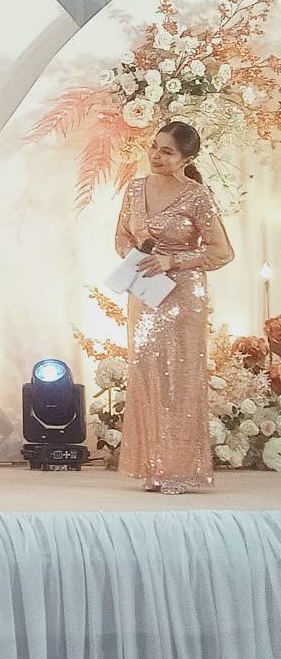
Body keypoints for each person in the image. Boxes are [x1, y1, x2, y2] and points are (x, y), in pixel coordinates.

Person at [115, 120, 234, 494]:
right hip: (145, 292)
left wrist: (173, 261)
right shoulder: (135, 189)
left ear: (187, 158)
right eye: (154, 146)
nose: (155, 155)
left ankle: (180, 470)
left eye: (166, 151)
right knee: (146, 372)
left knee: (178, 378)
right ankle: (153, 466)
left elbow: (222, 252)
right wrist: (137, 257)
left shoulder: (198, 196)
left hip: (183, 296)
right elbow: (121, 238)